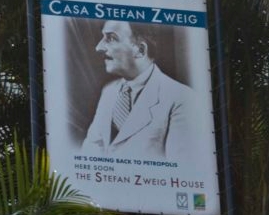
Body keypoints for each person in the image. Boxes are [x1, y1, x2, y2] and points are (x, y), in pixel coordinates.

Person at [81, 20, 194, 159]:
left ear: (140, 50)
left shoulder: (181, 97)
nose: (99, 47)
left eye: (110, 38)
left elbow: (182, 168)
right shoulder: (108, 91)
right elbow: (90, 150)